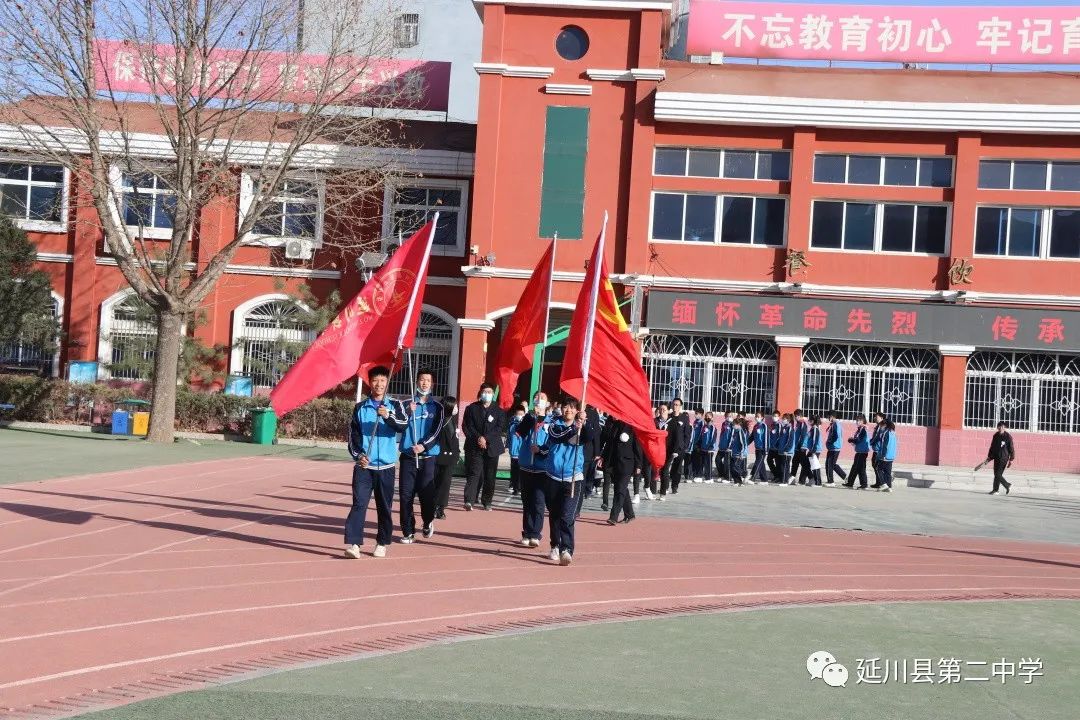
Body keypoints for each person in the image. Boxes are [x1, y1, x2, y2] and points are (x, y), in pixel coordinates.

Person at [344, 365, 407, 559]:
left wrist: (387, 416)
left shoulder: (395, 405)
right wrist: (358, 456)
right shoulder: (360, 408)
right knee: (359, 504)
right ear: (369, 383)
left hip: (386, 467)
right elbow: (352, 437)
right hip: (365, 467)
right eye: (375, 381)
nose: (379, 384)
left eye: (382, 380)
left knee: (384, 506)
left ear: (387, 382)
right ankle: (354, 544)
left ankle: (382, 542)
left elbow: (403, 425)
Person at [544, 399, 594, 565]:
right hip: (553, 476)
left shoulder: (581, 427)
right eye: (566, 407)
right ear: (561, 408)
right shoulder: (553, 425)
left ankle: (567, 549)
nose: (569, 410)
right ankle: (555, 545)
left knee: (567, 515)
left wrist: (583, 423)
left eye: (572, 408)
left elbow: (589, 437)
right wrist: (574, 428)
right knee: (554, 515)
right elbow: (557, 437)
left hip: (573, 478)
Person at [398, 368, 444, 543]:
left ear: (432, 384)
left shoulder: (437, 407)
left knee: (426, 495)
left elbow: (437, 431)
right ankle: (408, 531)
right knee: (405, 495)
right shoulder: (406, 404)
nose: (424, 383)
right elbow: (399, 425)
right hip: (408, 458)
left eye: (428, 380)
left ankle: (427, 521)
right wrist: (408, 412)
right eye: (422, 379)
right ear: (416, 382)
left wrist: (424, 446)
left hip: (428, 458)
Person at [514, 392, 552, 547]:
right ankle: (527, 532)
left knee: (538, 501)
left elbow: (552, 444)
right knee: (527, 501)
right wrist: (531, 417)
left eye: (542, 398)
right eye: (537, 397)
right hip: (526, 466)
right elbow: (518, 433)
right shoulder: (529, 418)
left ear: (548, 402)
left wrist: (541, 450)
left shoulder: (552, 422)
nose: (539, 400)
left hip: (542, 468)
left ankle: (535, 533)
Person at [463, 383, 506, 511]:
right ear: (480, 393)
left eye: (489, 392)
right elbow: (467, 426)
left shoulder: (499, 411)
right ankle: (469, 500)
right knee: (474, 473)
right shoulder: (471, 408)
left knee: (489, 475)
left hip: (492, 447)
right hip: (475, 446)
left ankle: (487, 501)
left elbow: (499, 428)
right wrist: (479, 438)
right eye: (484, 391)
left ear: (493, 394)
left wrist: (486, 438)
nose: (487, 394)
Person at [602, 415, 642, 524]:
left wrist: (638, 465)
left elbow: (637, 447)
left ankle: (613, 517)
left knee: (619, 489)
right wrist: (603, 457)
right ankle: (630, 514)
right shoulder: (613, 425)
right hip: (613, 463)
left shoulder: (632, 427)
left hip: (627, 463)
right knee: (622, 488)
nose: (612, 415)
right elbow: (609, 445)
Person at [432, 396, 460, 518]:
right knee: (436, 483)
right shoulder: (440, 421)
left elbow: (455, 439)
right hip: (440, 456)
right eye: (455, 406)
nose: (457, 408)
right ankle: (434, 507)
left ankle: (440, 507)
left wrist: (457, 453)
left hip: (450, 457)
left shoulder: (452, 420)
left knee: (445, 484)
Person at [666, 398, 691, 495]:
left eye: (677, 405)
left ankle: (675, 486)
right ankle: (665, 486)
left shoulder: (684, 418)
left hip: (680, 448)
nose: (675, 406)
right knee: (666, 467)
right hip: (669, 446)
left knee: (677, 468)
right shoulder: (669, 417)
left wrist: (684, 446)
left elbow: (687, 434)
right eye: (674, 404)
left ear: (680, 406)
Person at [645, 403, 669, 500]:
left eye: (664, 409)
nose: (662, 411)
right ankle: (653, 491)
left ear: (668, 411)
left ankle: (663, 493)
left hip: (666, 449)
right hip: (655, 450)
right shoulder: (654, 421)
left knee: (664, 472)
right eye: (661, 409)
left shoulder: (671, 422)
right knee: (653, 471)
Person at [987, 422, 1015, 495]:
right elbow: (992, 446)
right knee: (996, 474)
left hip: (1004, 458)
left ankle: (1007, 485)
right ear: (997, 427)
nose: (1000, 428)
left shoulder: (1008, 437)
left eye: (1002, 427)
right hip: (996, 457)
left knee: (998, 474)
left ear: (1005, 428)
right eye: (999, 427)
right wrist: (989, 456)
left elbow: (1011, 448)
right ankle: (996, 490)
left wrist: (1011, 459)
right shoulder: (995, 435)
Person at [844, 414, 870, 490]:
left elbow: (859, 439)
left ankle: (864, 484)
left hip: (862, 452)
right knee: (855, 467)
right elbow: (857, 438)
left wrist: (852, 440)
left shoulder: (863, 429)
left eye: (858, 420)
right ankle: (850, 483)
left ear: (862, 421)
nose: (857, 422)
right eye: (857, 420)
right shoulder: (860, 429)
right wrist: (852, 439)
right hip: (859, 451)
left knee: (861, 468)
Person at [507, 404, 527, 496]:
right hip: (513, 452)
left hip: (522, 452)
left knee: (521, 471)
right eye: (518, 414)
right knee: (514, 471)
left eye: (521, 414)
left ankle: (520, 487)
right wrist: (508, 445)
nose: (520, 415)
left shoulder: (526, 425)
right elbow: (509, 436)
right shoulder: (512, 424)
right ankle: (515, 487)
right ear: (515, 415)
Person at [873, 420, 898, 492]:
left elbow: (884, 445)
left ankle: (883, 484)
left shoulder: (885, 433)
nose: (880, 427)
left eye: (881, 426)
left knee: (878, 468)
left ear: (885, 425)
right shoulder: (893, 433)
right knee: (887, 472)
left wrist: (883, 455)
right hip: (891, 456)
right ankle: (889, 487)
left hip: (885, 455)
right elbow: (895, 445)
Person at [824, 410, 848, 486]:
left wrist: (830, 442)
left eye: (828, 416)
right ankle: (845, 477)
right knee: (831, 464)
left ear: (831, 416)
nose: (827, 418)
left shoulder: (835, 424)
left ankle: (831, 482)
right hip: (832, 448)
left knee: (829, 464)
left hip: (834, 447)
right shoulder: (834, 424)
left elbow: (836, 436)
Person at [750, 411, 771, 483]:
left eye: (758, 416)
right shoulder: (755, 426)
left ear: (762, 417)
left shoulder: (764, 426)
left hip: (763, 448)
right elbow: (752, 436)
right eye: (756, 416)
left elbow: (766, 438)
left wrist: (766, 449)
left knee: (758, 463)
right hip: (757, 448)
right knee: (761, 464)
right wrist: (745, 443)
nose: (757, 418)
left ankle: (752, 478)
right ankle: (764, 480)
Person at [791, 409, 810, 485]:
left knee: (803, 464)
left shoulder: (803, 424)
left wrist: (800, 445)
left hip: (801, 447)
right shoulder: (798, 424)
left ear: (799, 416)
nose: (795, 418)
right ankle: (792, 478)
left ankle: (808, 479)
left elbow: (802, 436)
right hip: (797, 447)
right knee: (795, 462)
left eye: (796, 416)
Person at [805, 415, 825, 487]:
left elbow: (815, 441)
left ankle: (818, 483)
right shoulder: (812, 429)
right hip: (811, 449)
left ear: (813, 421)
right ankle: (812, 479)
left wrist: (813, 451)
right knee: (806, 464)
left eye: (810, 420)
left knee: (815, 466)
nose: (809, 421)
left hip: (815, 450)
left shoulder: (815, 429)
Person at [777, 413, 796, 485]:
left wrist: (786, 449)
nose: (783, 420)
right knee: (782, 466)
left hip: (787, 451)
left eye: (784, 419)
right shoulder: (784, 428)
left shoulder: (790, 428)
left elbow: (790, 440)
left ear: (788, 420)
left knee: (785, 466)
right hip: (782, 451)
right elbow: (781, 439)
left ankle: (785, 481)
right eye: (782, 419)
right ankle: (783, 480)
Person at [729, 417, 749, 485]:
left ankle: (745, 474)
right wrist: (730, 447)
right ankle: (737, 481)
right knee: (732, 468)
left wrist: (742, 453)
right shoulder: (735, 432)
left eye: (734, 424)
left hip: (739, 454)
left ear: (738, 425)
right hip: (734, 453)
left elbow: (744, 443)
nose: (733, 426)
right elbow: (734, 442)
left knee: (735, 467)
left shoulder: (741, 432)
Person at [700, 413, 718, 483]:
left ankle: (709, 478)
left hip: (710, 449)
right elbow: (702, 436)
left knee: (708, 464)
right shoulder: (704, 427)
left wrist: (711, 447)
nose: (707, 418)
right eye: (706, 416)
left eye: (709, 417)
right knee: (703, 463)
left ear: (712, 418)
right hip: (703, 448)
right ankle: (704, 476)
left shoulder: (713, 427)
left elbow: (713, 438)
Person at [689, 409, 706, 482]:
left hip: (699, 443)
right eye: (695, 413)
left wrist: (700, 442)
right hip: (693, 443)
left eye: (697, 413)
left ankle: (699, 475)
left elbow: (702, 433)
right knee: (694, 459)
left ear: (702, 415)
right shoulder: (695, 422)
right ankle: (694, 474)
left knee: (699, 460)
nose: (696, 415)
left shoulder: (702, 423)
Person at [767, 411, 782, 482]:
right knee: (769, 460)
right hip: (771, 447)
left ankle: (778, 477)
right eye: (773, 416)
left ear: (779, 417)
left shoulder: (779, 425)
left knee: (778, 463)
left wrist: (778, 446)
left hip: (777, 448)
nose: (774, 417)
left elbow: (780, 436)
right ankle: (776, 475)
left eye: (776, 416)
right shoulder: (772, 425)